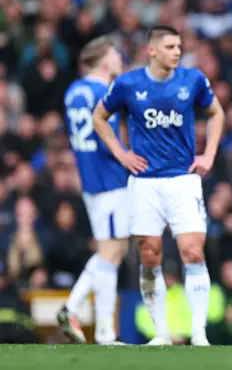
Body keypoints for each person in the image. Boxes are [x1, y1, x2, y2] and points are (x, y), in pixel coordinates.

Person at [93, 25, 225, 346]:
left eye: (179, 46)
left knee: (193, 252)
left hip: (183, 180)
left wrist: (208, 154)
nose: (177, 52)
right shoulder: (128, 84)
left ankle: (198, 333)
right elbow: (99, 117)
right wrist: (122, 154)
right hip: (144, 183)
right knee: (150, 255)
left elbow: (216, 112)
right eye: (169, 47)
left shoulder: (192, 80)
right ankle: (162, 333)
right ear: (151, 51)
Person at [58, 37, 128, 345]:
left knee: (110, 251)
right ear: (102, 61)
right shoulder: (104, 92)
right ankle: (93, 324)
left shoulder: (73, 92)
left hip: (89, 179)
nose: (119, 58)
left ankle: (96, 326)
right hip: (110, 178)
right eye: (114, 54)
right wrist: (131, 158)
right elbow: (107, 138)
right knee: (112, 253)